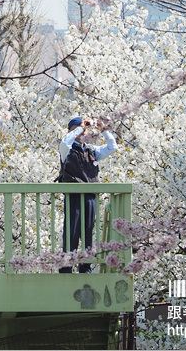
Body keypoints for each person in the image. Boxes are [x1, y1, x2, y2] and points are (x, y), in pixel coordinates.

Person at [56, 116, 118, 273]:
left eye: (84, 128)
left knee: (88, 231)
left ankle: (85, 266)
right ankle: (66, 267)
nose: (82, 131)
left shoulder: (91, 150)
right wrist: (80, 127)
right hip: (73, 194)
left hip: (90, 195)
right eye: (77, 129)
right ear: (70, 131)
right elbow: (64, 142)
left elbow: (112, 147)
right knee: (72, 231)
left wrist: (103, 130)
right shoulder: (68, 149)